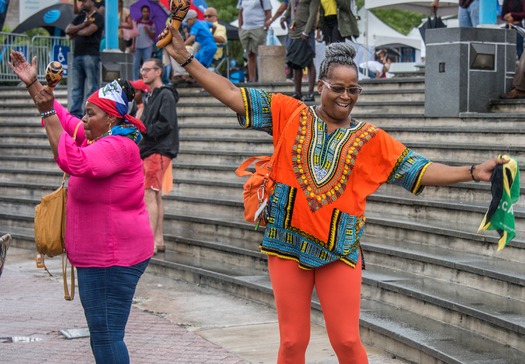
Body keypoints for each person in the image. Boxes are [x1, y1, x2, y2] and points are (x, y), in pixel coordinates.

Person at [163, 25, 508, 363]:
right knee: (292, 343)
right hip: (285, 243)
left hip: (339, 248)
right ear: (319, 84)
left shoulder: (372, 139)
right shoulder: (288, 112)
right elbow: (232, 95)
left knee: (346, 340)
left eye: (353, 89)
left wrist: (473, 172)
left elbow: (417, 169)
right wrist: (187, 60)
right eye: (338, 87)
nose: (346, 96)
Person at [9, 50, 153, 363]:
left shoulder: (118, 146)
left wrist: (46, 113)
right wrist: (33, 84)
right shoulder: (98, 137)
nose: (84, 119)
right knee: (104, 334)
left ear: (111, 118)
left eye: (91, 113)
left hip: (111, 259)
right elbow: (65, 119)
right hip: (101, 257)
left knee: (106, 336)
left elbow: (72, 160)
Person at [139, 58, 179, 254]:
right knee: (155, 195)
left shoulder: (165, 95)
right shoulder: (151, 96)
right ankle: (158, 240)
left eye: (147, 70)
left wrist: (144, 130)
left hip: (158, 149)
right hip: (152, 149)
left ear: (158, 72)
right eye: (142, 70)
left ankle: (150, 243)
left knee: (149, 194)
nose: (143, 73)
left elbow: (166, 123)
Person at [65, 0, 104, 119]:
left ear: (92, 2)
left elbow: (88, 32)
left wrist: (76, 31)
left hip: (90, 55)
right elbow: (67, 30)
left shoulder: (98, 17)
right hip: (77, 55)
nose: (82, 3)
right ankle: (75, 113)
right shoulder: (81, 17)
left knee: (92, 86)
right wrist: (83, 25)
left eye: (85, 1)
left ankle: (90, 112)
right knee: (76, 88)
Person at [284, 0, 319, 101]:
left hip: (306, 31)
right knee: (295, 62)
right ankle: (297, 92)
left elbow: (313, 14)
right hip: (294, 31)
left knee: (309, 61)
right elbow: (290, 8)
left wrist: (307, 31)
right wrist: (284, 17)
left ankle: (311, 93)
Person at [237, 0, 272, 82]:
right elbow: (240, 12)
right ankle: (252, 79)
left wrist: (265, 25)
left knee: (261, 53)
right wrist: (240, 28)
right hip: (245, 28)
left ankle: (263, 78)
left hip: (258, 27)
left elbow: (268, 12)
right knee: (250, 54)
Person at [132, 5, 156, 80]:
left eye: (147, 12)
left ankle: (146, 79)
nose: (146, 13)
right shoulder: (137, 22)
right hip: (138, 46)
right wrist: (133, 44)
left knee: (147, 65)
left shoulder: (151, 23)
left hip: (148, 46)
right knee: (135, 64)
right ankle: (135, 80)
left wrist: (147, 30)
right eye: (144, 11)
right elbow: (134, 34)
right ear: (141, 12)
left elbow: (153, 35)